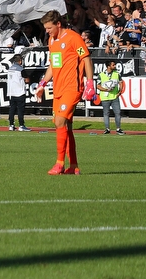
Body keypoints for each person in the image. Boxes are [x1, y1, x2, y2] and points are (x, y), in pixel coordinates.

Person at [36, 10, 95, 175]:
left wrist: (89, 82)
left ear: (58, 24)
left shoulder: (73, 38)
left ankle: (59, 163)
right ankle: (74, 166)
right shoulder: (52, 41)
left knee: (59, 122)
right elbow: (53, 66)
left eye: (49, 27)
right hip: (58, 89)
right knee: (66, 127)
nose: (47, 31)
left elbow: (86, 58)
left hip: (72, 87)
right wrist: (42, 83)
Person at [97, 59, 125, 135]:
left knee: (118, 113)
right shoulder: (101, 75)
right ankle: (107, 129)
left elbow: (121, 82)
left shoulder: (117, 74)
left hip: (114, 97)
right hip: (105, 98)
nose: (115, 66)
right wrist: (106, 89)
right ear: (108, 66)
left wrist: (120, 91)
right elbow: (98, 86)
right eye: (113, 65)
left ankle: (118, 128)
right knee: (106, 113)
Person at [7, 46, 30, 131]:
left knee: (12, 109)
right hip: (20, 92)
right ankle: (21, 125)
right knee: (20, 109)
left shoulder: (10, 68)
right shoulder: (21, 69)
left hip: (11, 92)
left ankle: (11, 125)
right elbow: (27, 80)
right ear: (20, 61)